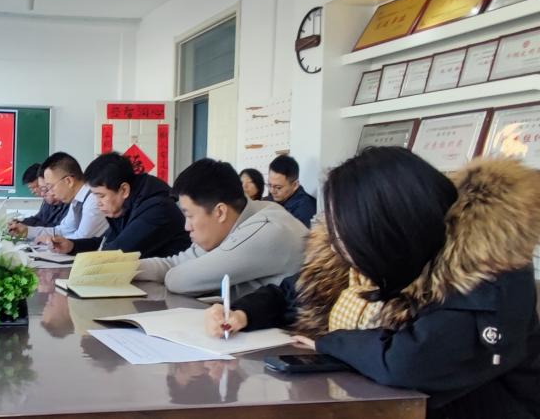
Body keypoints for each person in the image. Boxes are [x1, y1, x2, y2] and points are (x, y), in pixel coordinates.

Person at [205, 148, 540, 418]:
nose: (338, 245)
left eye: (346, 235)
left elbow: (410, 361)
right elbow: (291, 293)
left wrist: (329, 342)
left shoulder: (487, 279)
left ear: (385, 231)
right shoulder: (360, 263)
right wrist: (242, 313)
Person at [135, 158, 306, 297]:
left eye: (190, 216)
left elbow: (178, 280)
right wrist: (125, 267)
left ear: (220, 212)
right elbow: (173, 264)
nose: (187, 227)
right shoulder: (236, 221)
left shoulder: (268, 229)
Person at [49, 152, 191, 259]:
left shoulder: (157, 209)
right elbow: (107, 242)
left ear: (124, 190)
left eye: (101, 195)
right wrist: (72, 246)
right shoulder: (130, 203)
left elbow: (117, 252)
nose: (98, 202)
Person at [8, 152, 108, 241]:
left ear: (68, 181)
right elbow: (62, 230)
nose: (51, 193)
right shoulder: (76, 200)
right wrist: (27, 231)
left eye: (51, 187)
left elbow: (82, 239)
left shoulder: (93, 199)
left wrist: (50, 241)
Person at [265, 155, 316, 227]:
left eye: (278, 187)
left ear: (295, 185)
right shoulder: (271, 199)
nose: (272, 191)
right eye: (269, 185)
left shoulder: (304, 209)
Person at [15, 163, 69, 228]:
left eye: (35, 187)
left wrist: (27, 229)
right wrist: (19, 222)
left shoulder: (70, 204)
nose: (42, 193)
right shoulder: (47, 201)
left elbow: (57, 230)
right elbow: (38, 219)